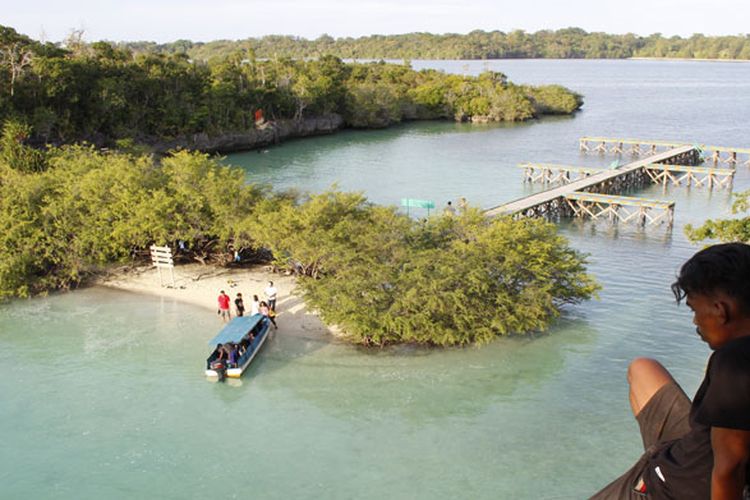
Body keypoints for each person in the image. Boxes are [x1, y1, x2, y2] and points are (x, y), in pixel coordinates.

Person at [590, 243, 750, 499]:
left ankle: (654, 465)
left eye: (695, 310)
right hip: (692, 447)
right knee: (642, 368)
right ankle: (661, 453)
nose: (695, 322)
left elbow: (731, 467)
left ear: (721, 310)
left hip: (669, 486)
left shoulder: (736, 360)